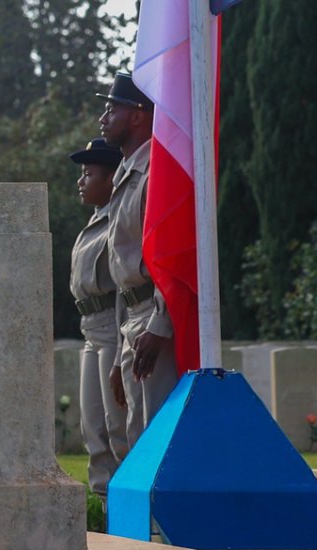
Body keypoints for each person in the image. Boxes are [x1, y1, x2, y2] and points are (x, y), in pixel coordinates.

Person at [97, 72, 176, 450]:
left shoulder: (156, 174)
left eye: (112, 108)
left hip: (153, 320)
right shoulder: (126, 176)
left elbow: (170, 255)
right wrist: (116, 354)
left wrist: (160, 325)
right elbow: (120, 271)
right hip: (131, 319)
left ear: (138, 116)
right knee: (136, 439)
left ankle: (162, 514)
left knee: (157, 439)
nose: (103, 118)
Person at [68, 138, 130, 504]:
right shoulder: (94, 221)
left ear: (111, 179)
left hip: (112, 325)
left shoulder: (119, 219)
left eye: (89, 173)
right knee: (92, 427)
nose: (81, 181)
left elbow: (123, 286)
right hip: (90, 329)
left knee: (116, 425)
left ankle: (129, 509)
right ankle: (103, 505)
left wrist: (123, 345)